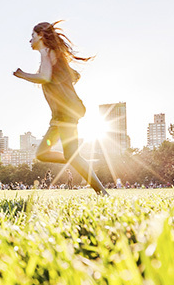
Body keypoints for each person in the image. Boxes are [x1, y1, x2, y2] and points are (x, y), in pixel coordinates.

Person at [13, 21, 108, 196]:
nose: (29, 40)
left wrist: (23, 75)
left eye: (32, 36)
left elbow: (45, 76)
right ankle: (77, 160)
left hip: (65, 114)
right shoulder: (53, 54)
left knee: (72, 156)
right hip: (59, 115)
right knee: (42, 153)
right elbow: (74, 75)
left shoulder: (46, 51)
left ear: (41, 35)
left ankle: (101, 191)